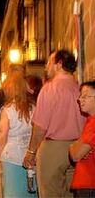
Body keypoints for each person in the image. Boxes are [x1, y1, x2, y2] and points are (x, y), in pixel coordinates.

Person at [23, 50, 85, 198]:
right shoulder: (80, 89)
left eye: (49, 62)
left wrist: (31, 152)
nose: (46, 67)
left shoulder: (50, 89)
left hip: (53, 148)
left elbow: (40, 126)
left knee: (49, 193)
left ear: (59, 64)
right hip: (78, 148)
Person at [0, 73, 36, 197]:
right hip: (30, 157)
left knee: (13, 192)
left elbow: (2, 139)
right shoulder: (33, 108)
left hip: (11, 158)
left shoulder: (7, 110)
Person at [69, 81, 95, 197]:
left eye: (85, 96)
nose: (80, 100)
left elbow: (76, 154)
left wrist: (72, 146)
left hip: (89, 183)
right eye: (80, 96)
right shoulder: (90, 121)